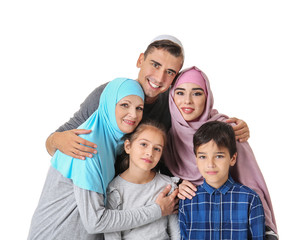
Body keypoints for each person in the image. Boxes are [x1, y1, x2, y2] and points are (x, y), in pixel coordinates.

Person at [45, 35, 250, 162]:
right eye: (155, 64)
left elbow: (200, 118)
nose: (159, 78)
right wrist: (56, 140)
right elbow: (55, 140)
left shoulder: (172, 104)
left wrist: (231, 125)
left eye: (170, 72)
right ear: (140, 60)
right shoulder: (109, 94)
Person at [28, 78, 178, 240]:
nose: (133, 114)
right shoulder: (86, 146)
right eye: (124, 105)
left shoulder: (110, 144)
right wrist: (157, 210)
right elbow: (95, 221)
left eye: (139, 108)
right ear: (108, 104)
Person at [163, 66, 278, 238]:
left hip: (236, 214)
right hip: (192, 213)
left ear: (207, 97)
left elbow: (251, 180)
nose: (187, 101)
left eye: (197, 93)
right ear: (171, 97)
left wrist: (267, 231)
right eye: (180, 93)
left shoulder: (227, 131)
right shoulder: (166, 138)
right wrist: (177, 184)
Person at [179, 121, 265, 239]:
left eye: (219, 156)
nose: (210, 164)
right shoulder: (187, 201)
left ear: (233, 158)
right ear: (196, 159)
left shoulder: (250, 199)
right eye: (203, 157)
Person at [104, 120, 180, 240]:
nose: (150, 153)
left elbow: (176, 232)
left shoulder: (167, 185)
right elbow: (112, 234)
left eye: (157, 149)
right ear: (128, 146)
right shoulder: (115, 190)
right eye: (144, 144)